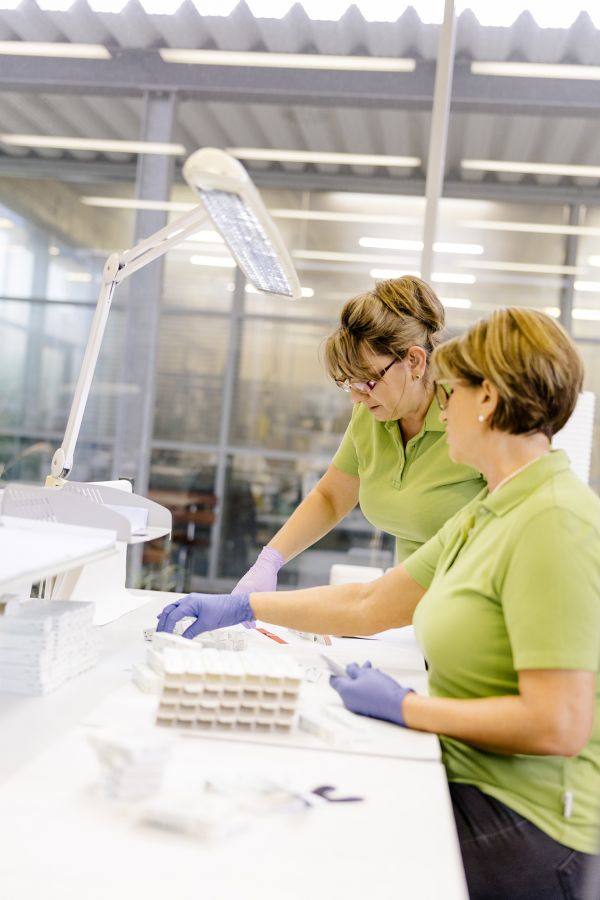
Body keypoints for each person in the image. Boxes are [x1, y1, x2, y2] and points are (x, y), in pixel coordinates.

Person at [157, 308, 600, 899]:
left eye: (457, 390)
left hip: (530, 818)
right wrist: (247, 607)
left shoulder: (553, 520)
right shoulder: (492, 509)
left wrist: (409, 707)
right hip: (472, 777)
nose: (443, 406)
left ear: (488, 400)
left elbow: (559, 724)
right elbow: (371, 602)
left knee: (318, 862)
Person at [232, 275, 485, 596]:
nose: (356, 398)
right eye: (349, 384)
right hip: (422, 606)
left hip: (478, 601)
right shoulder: (372, 413)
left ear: (415, 361)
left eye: (367, 381)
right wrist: (269, 561)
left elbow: (514, 526)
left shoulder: (471, 413)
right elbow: (332, 496)